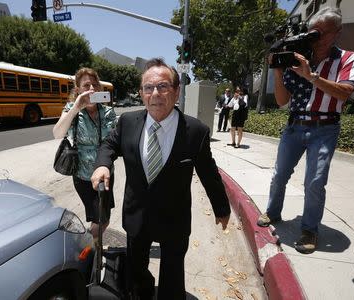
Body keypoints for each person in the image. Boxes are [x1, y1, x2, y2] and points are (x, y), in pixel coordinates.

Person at [91, 58, 231, 299]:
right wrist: (102, 164)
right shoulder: (128, 122)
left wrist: (221, 208)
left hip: (174, 220)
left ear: (176, 92)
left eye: (163, 86)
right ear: (141, 93)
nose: (155, 93)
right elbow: (108, 145)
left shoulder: (195, 131)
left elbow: (209, 172)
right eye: (148, 87)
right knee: (136, 273)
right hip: (137, 216)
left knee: (173, 277)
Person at [257, 7, 354, 254]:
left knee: (315, 182)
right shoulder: (300, 55)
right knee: (279, 174)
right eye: (314, 32)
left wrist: (312, 76)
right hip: (295, 125)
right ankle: (273, 211)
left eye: (323, 33)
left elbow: (345, 92)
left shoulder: (348, 58)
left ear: (337, 33)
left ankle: (309, 228)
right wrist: (279, 68)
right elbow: (283, 101)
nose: (317, 38)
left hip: (325, 127)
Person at [53, 67, 117, 240]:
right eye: (86, 85)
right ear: (78, 89)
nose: (91, 89)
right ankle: (90, 250)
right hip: (83, 177)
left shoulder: (108, 112)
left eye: (95, 85)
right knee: (99, 219)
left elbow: (116, 140)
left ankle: (90, 245)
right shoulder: (72, 110)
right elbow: (57, 133)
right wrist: (76, 107)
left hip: (105, 175)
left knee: (104, 219)